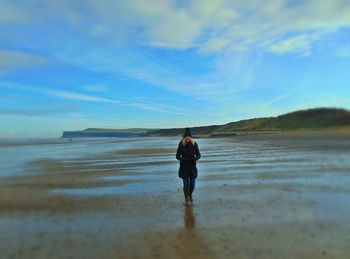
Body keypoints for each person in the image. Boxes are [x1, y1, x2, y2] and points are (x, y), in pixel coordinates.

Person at [176, 127, 201, 206]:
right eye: (186, 137)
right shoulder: (181, 144)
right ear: (184, 137)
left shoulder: (194, 143)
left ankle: (190, 195)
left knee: (192, 184)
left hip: (192, 167)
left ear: (191, 137)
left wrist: (195, 158)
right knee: (186, 184)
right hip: (184, 167)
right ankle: (186, 199)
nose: (188, 138)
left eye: (189, 137)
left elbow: (199, 155)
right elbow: (177, 156)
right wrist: (182, 159)